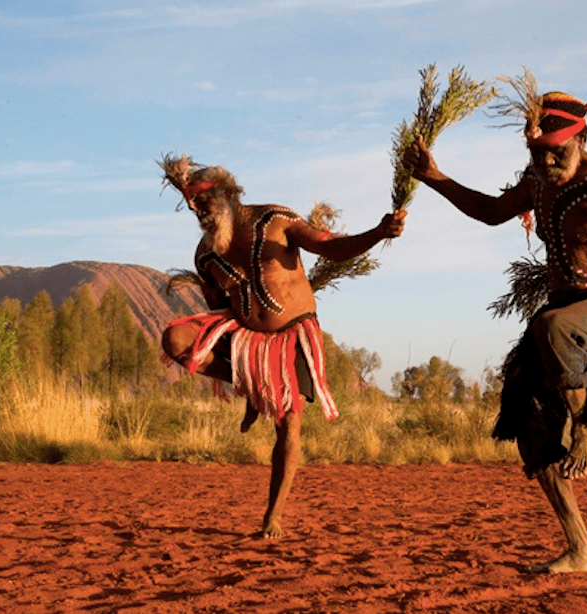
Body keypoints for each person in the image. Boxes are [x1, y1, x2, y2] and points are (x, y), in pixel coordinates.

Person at [404, 85, 587, 572]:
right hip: (564, 311)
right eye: (536, 152)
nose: (545, 161)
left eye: (555, 151)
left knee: (553, 328)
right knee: (528, 423)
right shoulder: (536, 182)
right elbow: (491, 212)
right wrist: (434, 178)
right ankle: (582, 549)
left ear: (581, 139)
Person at [159, 153, 406, 539]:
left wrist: (377, 232)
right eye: (192, 204)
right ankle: (252, 385)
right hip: (245, 339)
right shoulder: (205, 253)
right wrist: (242, 363)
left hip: (292, 334)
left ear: (229, 196)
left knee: (289, 425)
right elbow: (218, 304)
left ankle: (272, 516)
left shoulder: (276, 220)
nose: (196, 210)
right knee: (175, 339)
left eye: (203, 202)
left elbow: (331, 247)